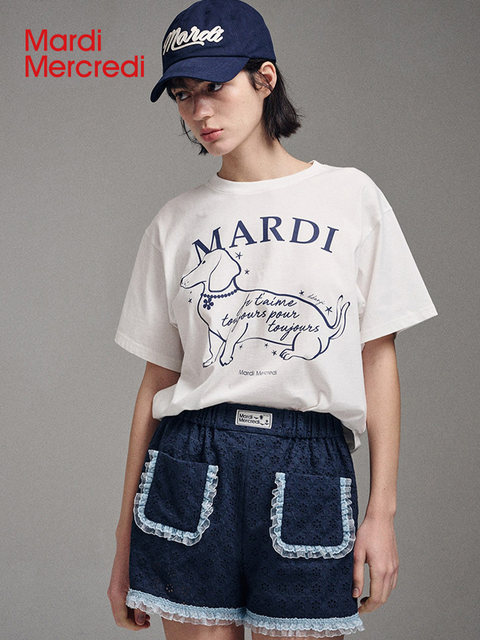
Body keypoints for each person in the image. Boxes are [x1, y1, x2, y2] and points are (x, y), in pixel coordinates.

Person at [107, 1, 438, 638]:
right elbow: (156, 382)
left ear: (265, 79)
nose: (199, 111)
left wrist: (383, 513)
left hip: (310, 463)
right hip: (190, 457)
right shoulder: (175, 222)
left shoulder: (351, 197)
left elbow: (377, 358)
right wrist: (125, 543)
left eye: (214, 86)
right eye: (182, 93)